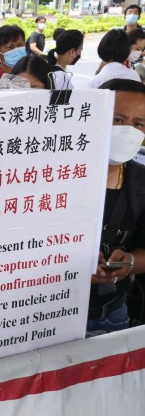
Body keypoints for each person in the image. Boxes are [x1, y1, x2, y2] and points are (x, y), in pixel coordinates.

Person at [86, 78, 145, 334]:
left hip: (107, 314)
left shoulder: (140, 182)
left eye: (139, 123)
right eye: (118, 120)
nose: (129, 130)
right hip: (40, 312)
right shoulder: (54, 175)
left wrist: (129, 263)